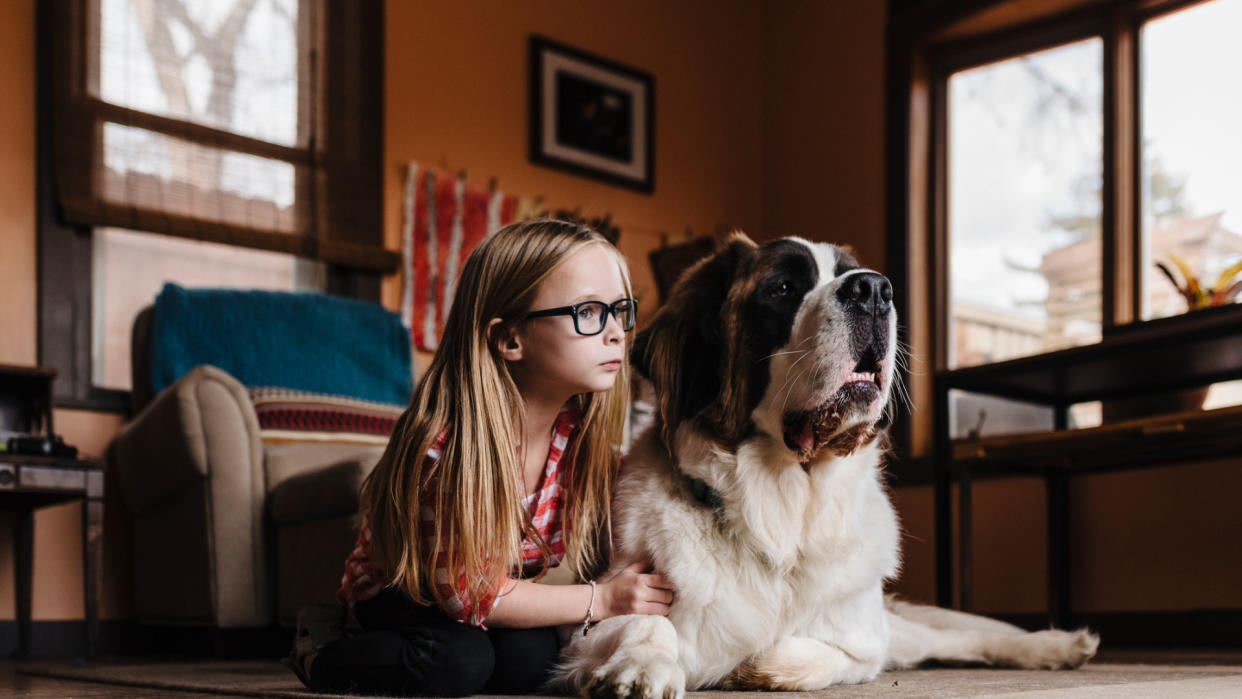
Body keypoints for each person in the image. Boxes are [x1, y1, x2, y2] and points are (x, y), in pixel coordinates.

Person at [284, 219, 676, 696]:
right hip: (403, 590)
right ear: (510, 339)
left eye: (620, 310)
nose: (616, 332)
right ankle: (324, 650)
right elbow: (474, 596)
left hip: (478, 592)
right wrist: (603, 599)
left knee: (532, 663)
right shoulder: (449, 450)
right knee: (456, 662)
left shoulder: (577, 433)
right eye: (590, 312)